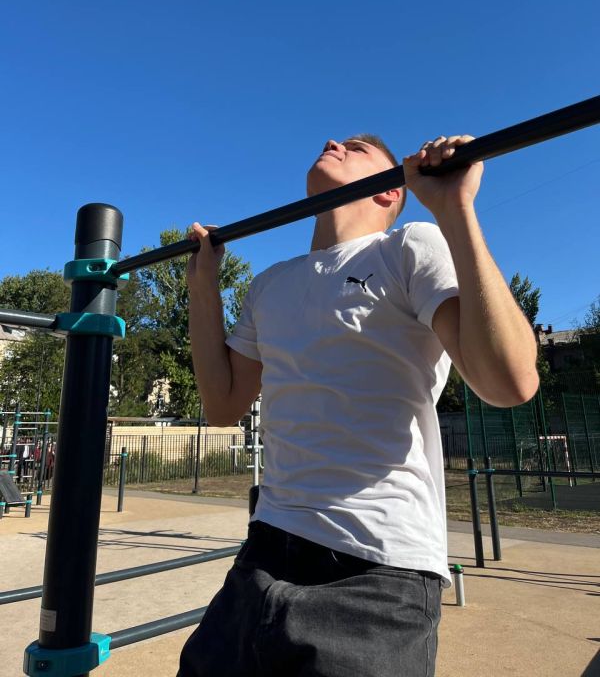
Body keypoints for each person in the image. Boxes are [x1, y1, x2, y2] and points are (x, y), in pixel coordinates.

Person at [179, 134, 539, 677]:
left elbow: (510, 382)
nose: (332, 142)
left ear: (389, 191)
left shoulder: (407, 247)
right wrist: (203, 285)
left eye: (355, 147)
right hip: (263, 554)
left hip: (375, 573)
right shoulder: (269, 284)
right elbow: (223, 405)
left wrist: (454, 209)